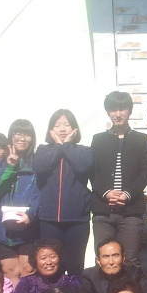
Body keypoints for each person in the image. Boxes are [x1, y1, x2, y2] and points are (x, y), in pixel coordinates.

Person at [90, 91, 147, 268]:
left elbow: (145, 172)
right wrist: (106, 193)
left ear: (129, 111)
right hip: (103, 211)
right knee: (104, 261)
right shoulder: (98, 139)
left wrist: (127, 194)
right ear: (108, 112)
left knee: (130, 260)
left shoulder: (141, 139)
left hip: (131, 211)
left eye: (122, 109)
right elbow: (93, 171)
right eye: (113, 109)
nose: (118, 114)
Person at [32, 109, 94, 276]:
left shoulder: (84, 150)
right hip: (49, 219)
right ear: (51, 129)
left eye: (67, 124)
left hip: (77, 219)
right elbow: (39, 167)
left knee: (75, 266)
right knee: (52, 267)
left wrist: (66, 145)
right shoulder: (43, 150)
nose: (62, 128)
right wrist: (59, 146)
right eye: (57, 125)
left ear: (74, 129)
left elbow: (83, 166)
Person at [0, 119, 40, 284]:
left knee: (28, 269)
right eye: (18, 133)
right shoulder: (0, 164)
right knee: (10, 272)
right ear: (11, 136)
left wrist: (31, 214)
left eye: (27, 134)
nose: (22, 138)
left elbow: (40, 192)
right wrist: (10, 166)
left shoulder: (38, 163)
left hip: (29, 228)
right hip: (4, 230)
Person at [10, 238, 83, 293]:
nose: (49, 262)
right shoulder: (26, 283)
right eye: (43, 258)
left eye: (53, 257)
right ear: (35, 260)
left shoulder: (70, 281)